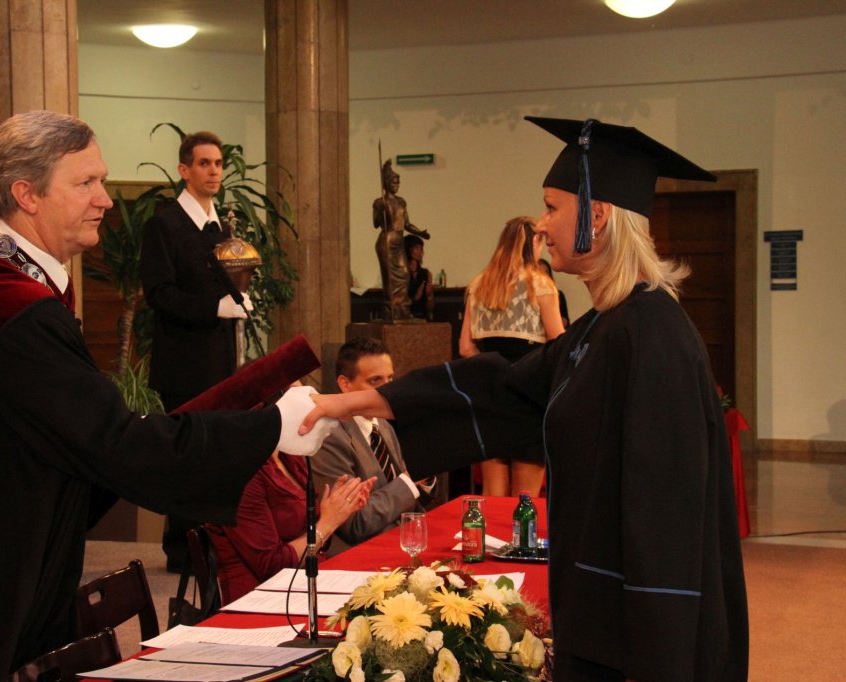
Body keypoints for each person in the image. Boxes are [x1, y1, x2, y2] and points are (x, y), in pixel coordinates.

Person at [0, 111, 333, 681]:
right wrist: (271, 426)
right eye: (86, 183)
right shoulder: (14, 310)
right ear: (27, 194)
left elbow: (82, 443)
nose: (105, 200)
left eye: (101, 181)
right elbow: (115, 444)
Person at [302, 117, 748, 681]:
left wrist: (660, 652)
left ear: (597, 215)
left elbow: (667, 515)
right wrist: (346, 405)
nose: (540, 223)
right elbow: (501, 388)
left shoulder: (653, 334)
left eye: (551, 207)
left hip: (638, 635)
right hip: (596, 609)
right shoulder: (601, 327)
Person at [140, 130, 248, 572]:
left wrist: (239, 299)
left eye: (219, 164)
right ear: (184, 170)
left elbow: (229, 283)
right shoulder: (164, 225)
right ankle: (183, 551)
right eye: (204, 163)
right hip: (184, 365)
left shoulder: (221, 227)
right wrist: (214, 307)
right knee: (188, 456)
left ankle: (213, 547)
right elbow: (159, 293)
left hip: (221, 361)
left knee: (216, 457)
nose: (214, 171)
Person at [208, 382, 376, 602]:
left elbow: (309, 535)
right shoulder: (242, 473)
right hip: (264, 600)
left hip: (305, 584)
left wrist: (337, 506)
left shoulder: (288, 454)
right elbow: (272, 566)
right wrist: (328, 523)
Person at [458, 216, 565, 496]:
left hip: (490, 393)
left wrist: (493, 373)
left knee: (492, 494)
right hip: (529, 394)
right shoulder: (540, 285)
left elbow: (465, 347)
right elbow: (558, 342)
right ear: (535, 242)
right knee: (525, 499)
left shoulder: (479, 284)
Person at [311, 337, 437, 551]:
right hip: (361, 553)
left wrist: (425, 474)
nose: (389, 389)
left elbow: (412, 499)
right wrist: (409, 481)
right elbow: (354, 524)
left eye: (391, 378)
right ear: (345, 384)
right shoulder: (329, 437)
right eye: (375, 381)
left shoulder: (383, 425)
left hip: (405, 540)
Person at [373, 159, 429, 321]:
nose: (396, 185)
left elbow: (407, 224)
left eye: (398, 182)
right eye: (393, 182)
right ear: (386, 183)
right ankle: (392, 308)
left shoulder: (401, 202)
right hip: (387, 241)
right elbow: (375, 224)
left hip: (399, 242)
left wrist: (420, 233)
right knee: (389, 278)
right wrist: (381, 210)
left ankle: (403, 306)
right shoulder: (379, 202)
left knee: (404, 275)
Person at [405, 234, 434, 320]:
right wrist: (415, 298)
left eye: (421, 248)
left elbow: (430, 309)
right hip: (405, 319)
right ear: (408, 249)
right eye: (417, 248)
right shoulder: (402, 274)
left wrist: (429, 295)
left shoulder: (427, 274)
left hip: (422, 318)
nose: (420, 252)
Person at [538, 257, 570, 327]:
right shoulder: (528, 295)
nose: (544, 276)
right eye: (540, 272)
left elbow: (565, 321)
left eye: (546, 272)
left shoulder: (558, 294)